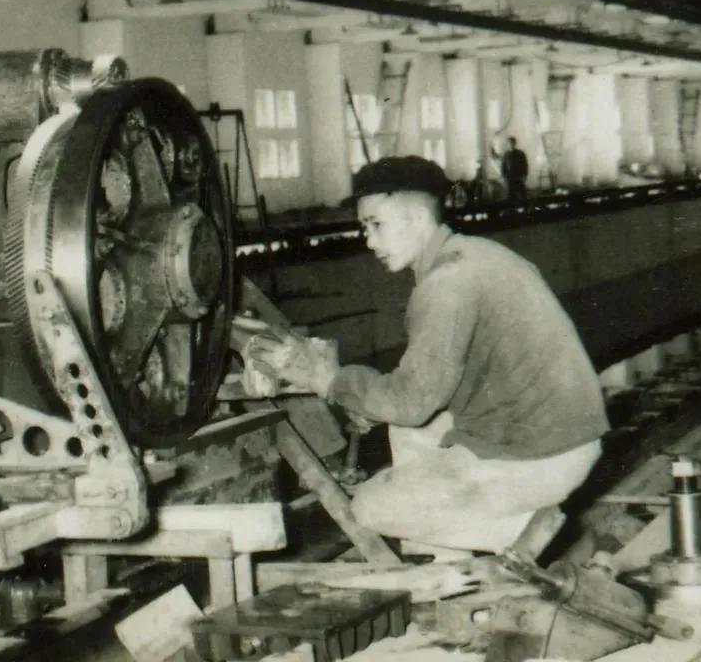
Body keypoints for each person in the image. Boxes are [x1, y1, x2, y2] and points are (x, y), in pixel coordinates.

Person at [250, 156, 608, 553]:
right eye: (364, 228)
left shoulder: (446, 284)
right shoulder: (478, 253)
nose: (369, 241)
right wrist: (365, 401)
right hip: (565, 436)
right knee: (407, 431)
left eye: (376, 225)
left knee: (370, 506)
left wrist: (329, 380)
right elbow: (429, 385)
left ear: (419, 218)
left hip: (542, 458)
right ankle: (447, 560)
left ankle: (531, 534)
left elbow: (410, 402)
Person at [501, 136, 529, 202]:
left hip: (519, 177)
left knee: (523, 195)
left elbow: (525, 165)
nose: (511, 144)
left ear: (515, 143)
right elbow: (503, 167)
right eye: (510, 143)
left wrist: (525, 175)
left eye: (512, 143)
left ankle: (525, 207)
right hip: (510, 178)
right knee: (511, 196)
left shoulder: (520, 154)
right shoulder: (506, 155)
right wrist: (504, 177)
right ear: (508, 144)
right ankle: (512, 207)